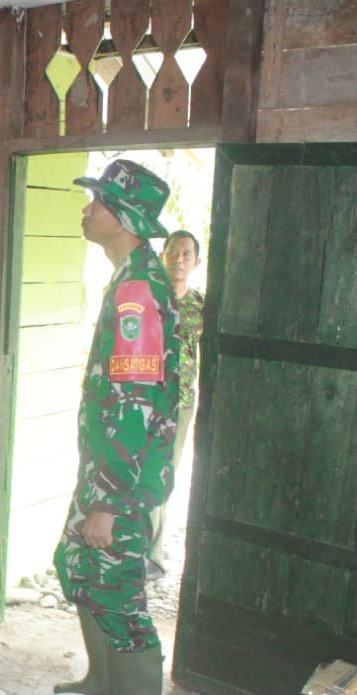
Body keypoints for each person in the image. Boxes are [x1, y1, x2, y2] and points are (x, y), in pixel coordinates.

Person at [51, 160, 179, 695]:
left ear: (124, 218)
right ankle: (101, 685)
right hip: (105, 468)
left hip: (121, 479)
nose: (88, 209)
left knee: (118, 592)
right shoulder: (128, 276)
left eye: (99, 202)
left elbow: (134, 405)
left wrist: (107, 501)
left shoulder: (137, 293)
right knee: (78, 564)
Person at [147, 230, 205, 577]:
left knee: (164, 472)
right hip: (144, 399)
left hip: (179, 404)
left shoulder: (201, 306)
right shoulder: (147, 300)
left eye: (186, 254)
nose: (179, 260)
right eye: (173, 252)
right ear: (162, 256)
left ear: (196, 262)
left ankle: (153, 556)